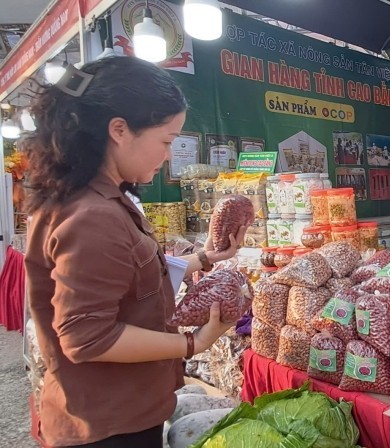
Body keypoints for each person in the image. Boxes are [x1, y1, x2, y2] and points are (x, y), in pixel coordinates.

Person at [22, 56, 247, 447]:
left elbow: (128, 277)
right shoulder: (93, 214)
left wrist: (206, 258)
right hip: (106, 426)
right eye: (166, 141)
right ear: (119, 130)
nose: (167, 157)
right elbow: (86, 336)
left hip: (115, 412)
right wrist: (194, 343)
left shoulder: (97, 197)